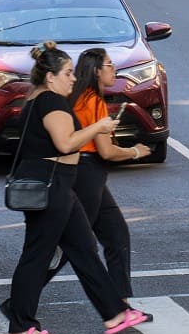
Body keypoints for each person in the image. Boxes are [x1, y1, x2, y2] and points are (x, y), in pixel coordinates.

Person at [2, 42, 150, 334]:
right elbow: (66, 144)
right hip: (52, 186)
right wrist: (98, 126)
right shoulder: (51, 102)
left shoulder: (39, 98)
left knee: (84, 250)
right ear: (50, 77)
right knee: (37, 256)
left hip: (60, 185)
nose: (73, 78)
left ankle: (114, 313)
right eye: (67, 73)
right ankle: (20, 326)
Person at [42, 47, 150, 301]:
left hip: (84, 173)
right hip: (88, 174)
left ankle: (121, 302)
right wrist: (135, 151)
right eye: (109, 65)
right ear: (96, 71)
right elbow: (107, 151)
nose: (114, 70)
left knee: (116, 234)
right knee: (72, 245)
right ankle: (19, 300)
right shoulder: (94, 102)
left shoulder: (78, 99)